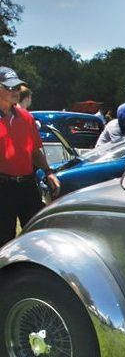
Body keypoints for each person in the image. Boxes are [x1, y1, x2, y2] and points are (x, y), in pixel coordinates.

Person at [0, 66, 59, 246]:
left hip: (27, 184)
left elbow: (34, 151)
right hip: (2, 187)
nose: (15, 92)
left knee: (35, 234)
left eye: (17, 88)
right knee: (4, 237)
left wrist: (48, 172)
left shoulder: (26, 117)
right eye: (10, 88)